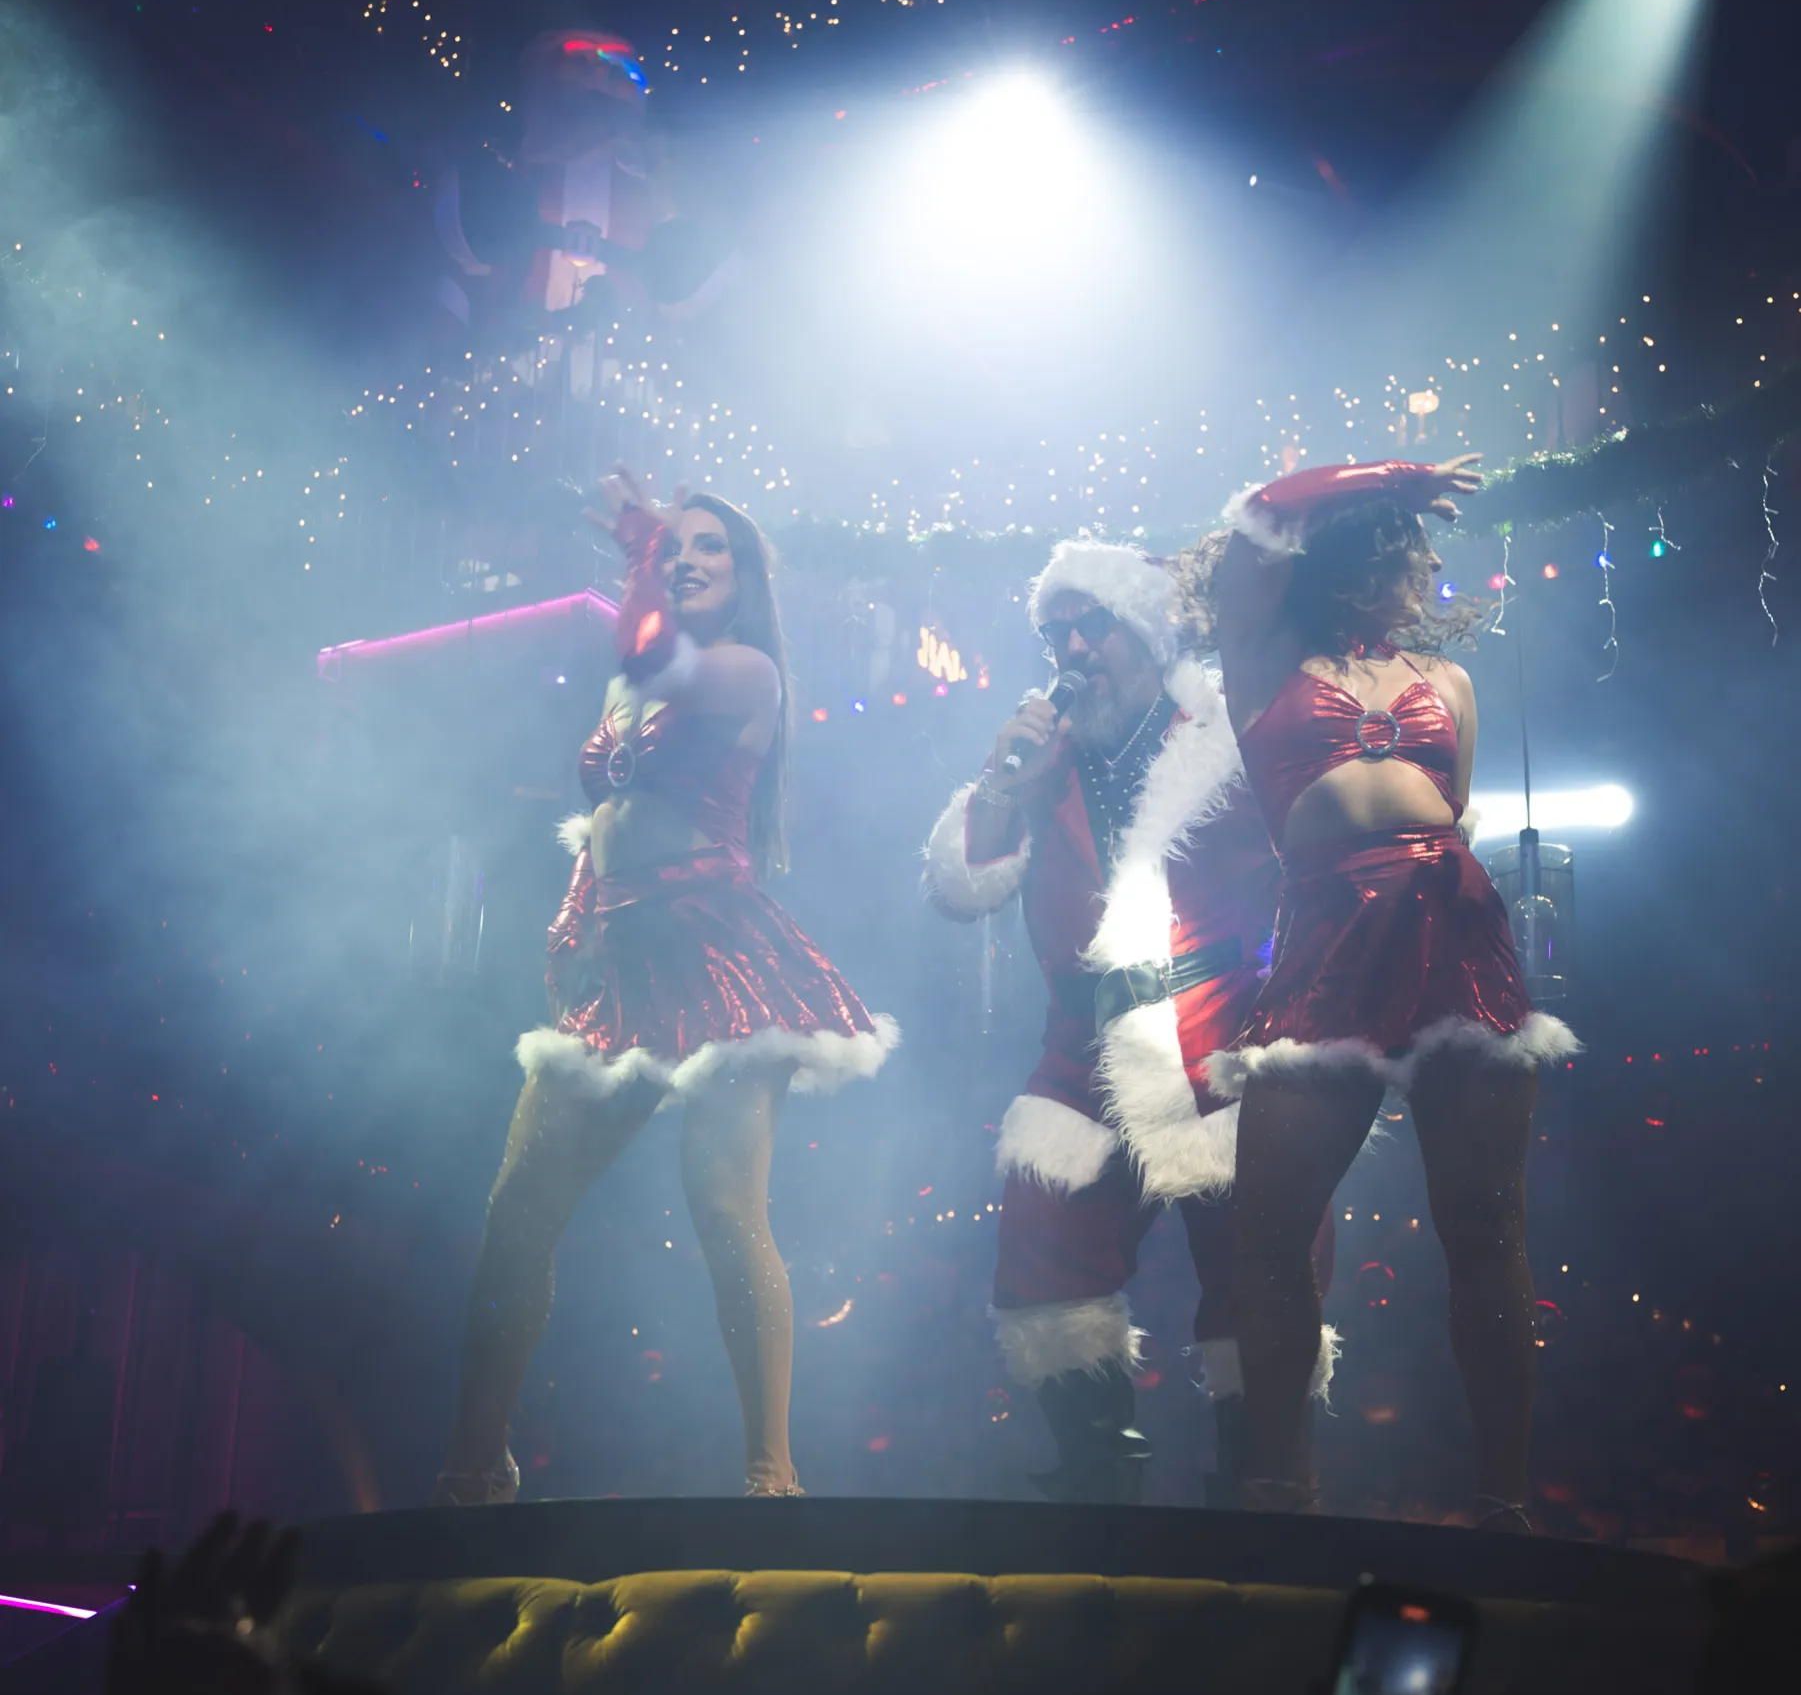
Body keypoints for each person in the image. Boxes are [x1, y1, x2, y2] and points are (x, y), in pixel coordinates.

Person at [436, 473, 897, 1504]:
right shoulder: (630, 682)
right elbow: (603, 820)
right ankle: (473, 1464)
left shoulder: (742, 670)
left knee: (726, 1208)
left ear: (743, 583)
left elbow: (651, 656)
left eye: (708, 549)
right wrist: (573, 934)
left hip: (715, 950)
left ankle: (770, 1470)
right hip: (618, 959)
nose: (684, 560)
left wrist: (641, 556)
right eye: (671, 548)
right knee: (519, 1213)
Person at [1172, 456, 1578, 1525]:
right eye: (1412, 543)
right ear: (1359, 552)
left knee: (1485, 1226)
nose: (1433, 564)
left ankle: (1503, 1501)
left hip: (1454, 928)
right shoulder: (1259, 655)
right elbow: (1256, 515)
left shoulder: (1447, 685)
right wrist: (1382, 476)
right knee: (1268, 1230)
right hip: (1323, 940)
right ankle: (1276, 1486)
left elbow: (1456, 810)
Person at [924, 539, 1331, 1502]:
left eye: (1090, 622)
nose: (1070, 645)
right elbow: (961, 884)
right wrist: (998, 779)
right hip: (1088, 1046)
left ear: (1143, 629)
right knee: (1041, 1238)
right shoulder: (1042, 760)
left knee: (1260, 1266)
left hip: (1225, 1035)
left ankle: (1259, 1469)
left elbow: (1320, 849)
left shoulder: (1229, 729)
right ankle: (1096, 1475)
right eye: (1054, 629)